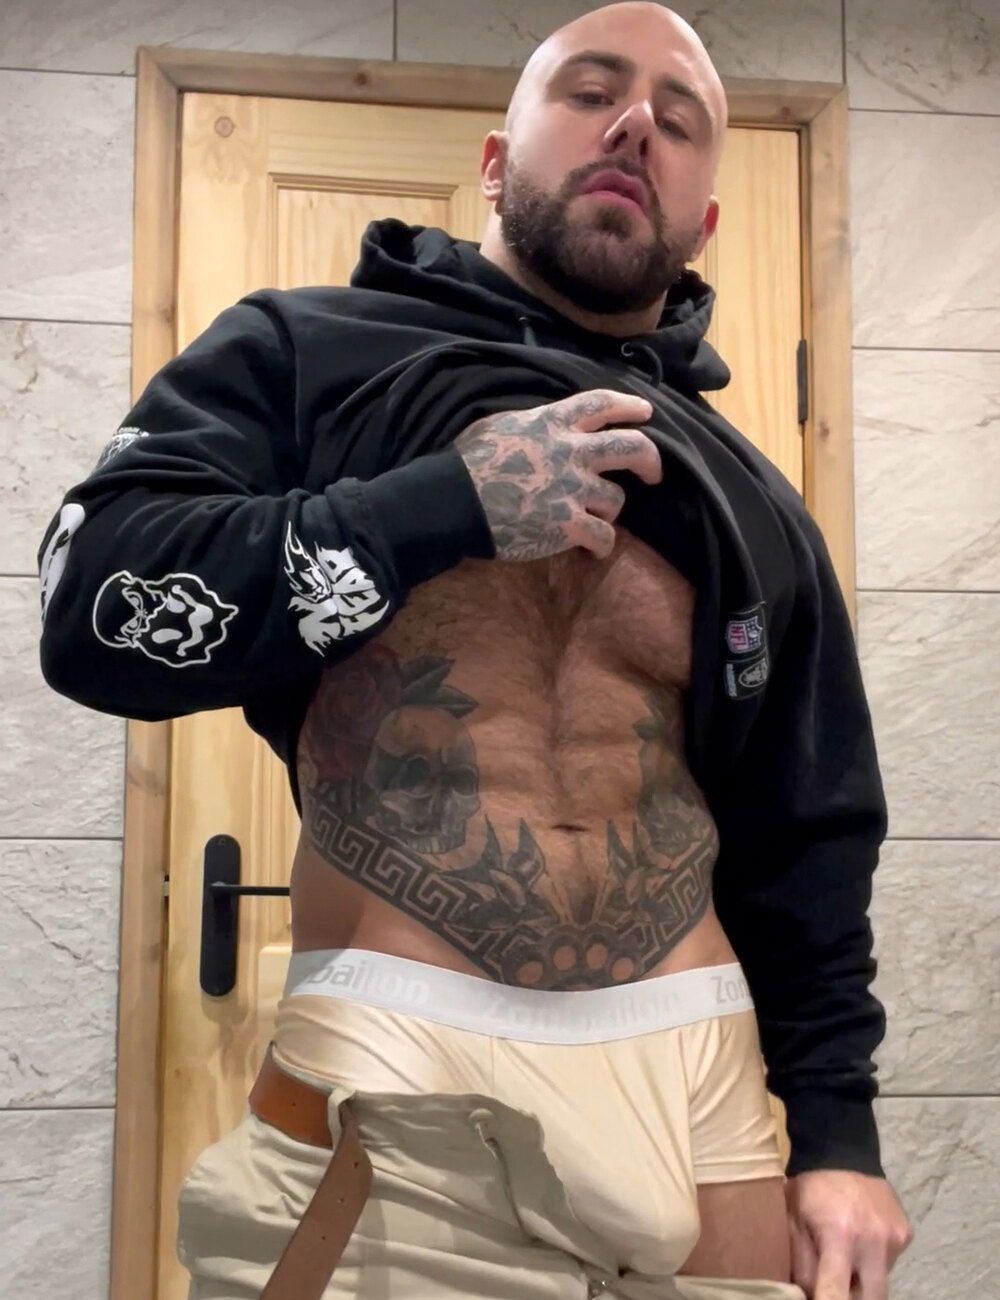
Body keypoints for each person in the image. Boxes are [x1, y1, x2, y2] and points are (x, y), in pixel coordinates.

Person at [36, 3, 913, 1298]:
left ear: (703, 223)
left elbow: (812, 828)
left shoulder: (750, 496)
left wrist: (839, 1136)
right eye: (592, 92)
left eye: (679, 121)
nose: (636, 125)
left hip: (702, 1091)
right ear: (496, 164)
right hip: (400, 1064)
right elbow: (95, 610)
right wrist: (441, 506)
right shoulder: (304, 356)